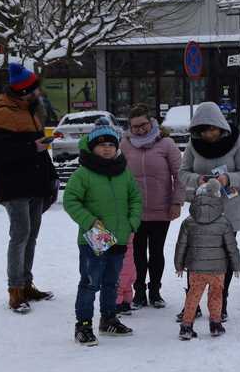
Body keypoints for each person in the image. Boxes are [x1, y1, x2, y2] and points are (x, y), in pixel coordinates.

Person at [0, 63, 58, 314]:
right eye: (34, 90)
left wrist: (51, 177)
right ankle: (15, 290)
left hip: (36, 183)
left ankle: (27, 284)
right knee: (20, 236)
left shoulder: (31, 110)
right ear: (23, 91)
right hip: (15, 186)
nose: (38, 93)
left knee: (31, 236)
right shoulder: (3, 113)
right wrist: (33, 148)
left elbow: (40, 150)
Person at [63, 121, 142, 346]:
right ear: (91, 147)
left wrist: (132, 223)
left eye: (111, 144)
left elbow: (135, 198)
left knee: (112, 282)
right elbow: (70, 200)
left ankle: (108, 318)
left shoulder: (123, 172)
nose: (106, 148)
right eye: (101, 144)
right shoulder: (83, 173)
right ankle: (83, 325)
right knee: (90, 283)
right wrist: (90, 222)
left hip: (119, 237)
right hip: (93, 239)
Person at [179, 101, 240, 322]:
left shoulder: (237, 142)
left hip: (227, 211)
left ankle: (221, 302)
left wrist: (227, 178)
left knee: (223, 258)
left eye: (211, 129)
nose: (208, 134)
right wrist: (198, 179)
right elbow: (183, 172)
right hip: (200, 212)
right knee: (196, 257)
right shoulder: (194, 145)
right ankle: (192, 303)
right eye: (203, 130)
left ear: (220, 126)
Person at [120, 103, 185, 309]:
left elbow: (180, 175)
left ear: (152, 122)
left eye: (143, 124)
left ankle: (155, 291)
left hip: (161, 209)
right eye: (135, 126)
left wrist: (176, 201)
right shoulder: (124, 145)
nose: (140, 129)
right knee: (137, 253)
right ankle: (139, 292)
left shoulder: (166, 144)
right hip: (134, 212)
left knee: (156, 252)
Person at [174, 179, 240, 340]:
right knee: (216, 294)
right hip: (218, 269)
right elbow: (231, 247)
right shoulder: (224, 222)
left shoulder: (188, 222)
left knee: (193, 295)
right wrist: (237, 264)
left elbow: (181, 245)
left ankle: (186, 326)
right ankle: (215, 324)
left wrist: (179, 265)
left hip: (195, 269)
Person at [115, 233, 136, 315]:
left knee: (118, 288)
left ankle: (117, 305)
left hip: (121, 268)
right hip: (130, 268)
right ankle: (126, 304)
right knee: (127, 287)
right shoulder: (129, 238)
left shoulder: (119, 241)